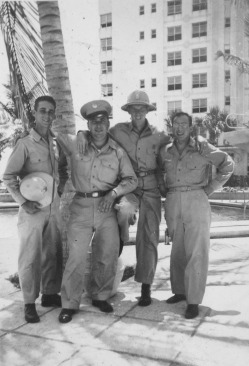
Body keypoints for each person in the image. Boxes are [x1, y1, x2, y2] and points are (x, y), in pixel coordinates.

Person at [77, 90, 171, 307]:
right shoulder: (117, 131)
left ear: (148, 110)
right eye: (134, 108)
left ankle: (145, 287)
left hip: (151, 189)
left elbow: (170, 155)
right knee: (124, 210)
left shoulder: (160, 134)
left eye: (142, 108)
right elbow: (96, 130)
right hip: (128, 185)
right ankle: (120, 237)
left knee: (149, 237)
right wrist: (82, 132)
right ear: (129, 111)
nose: (138, 112)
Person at [55, 100, 138, 323]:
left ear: (108, 123)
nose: (98, 126)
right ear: (88, 125)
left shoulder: (117, 152)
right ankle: (69, 304)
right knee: (76, 257)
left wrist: (113, 194)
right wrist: (79, 134)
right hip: (80, 207)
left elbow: (132, 179)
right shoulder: (75, 143)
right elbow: (57, 136)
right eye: (92, 122)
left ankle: (100, 296)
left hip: (106, 207)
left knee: (106, 254)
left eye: (102, 121)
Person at [159, 111, 234, 319]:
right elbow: (157, 173)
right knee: (178, 250)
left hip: (196, 200)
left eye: (184, 124)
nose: (180, 127)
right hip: (174, 202)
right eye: (176, 124)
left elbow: (228, 164)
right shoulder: (166, 151)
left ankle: (193, 301)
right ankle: (180, 292)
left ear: (190, 127)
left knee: (197, 252)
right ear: (172, 127)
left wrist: (209, 189)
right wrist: (165, 191)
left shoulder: (202, 147)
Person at [3, 95, 68, 323]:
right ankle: (29, 303)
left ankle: (50, 295)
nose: (47, 116)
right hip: (32, 211)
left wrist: (59, 193)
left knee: (53, 253)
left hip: (53, 208)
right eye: (43, 111)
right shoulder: (25, 143)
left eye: (51, 112)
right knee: (30, 257)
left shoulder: (55, 142)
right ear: (35, 112)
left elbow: (63, 169)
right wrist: (23, 202)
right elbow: (8, 177)